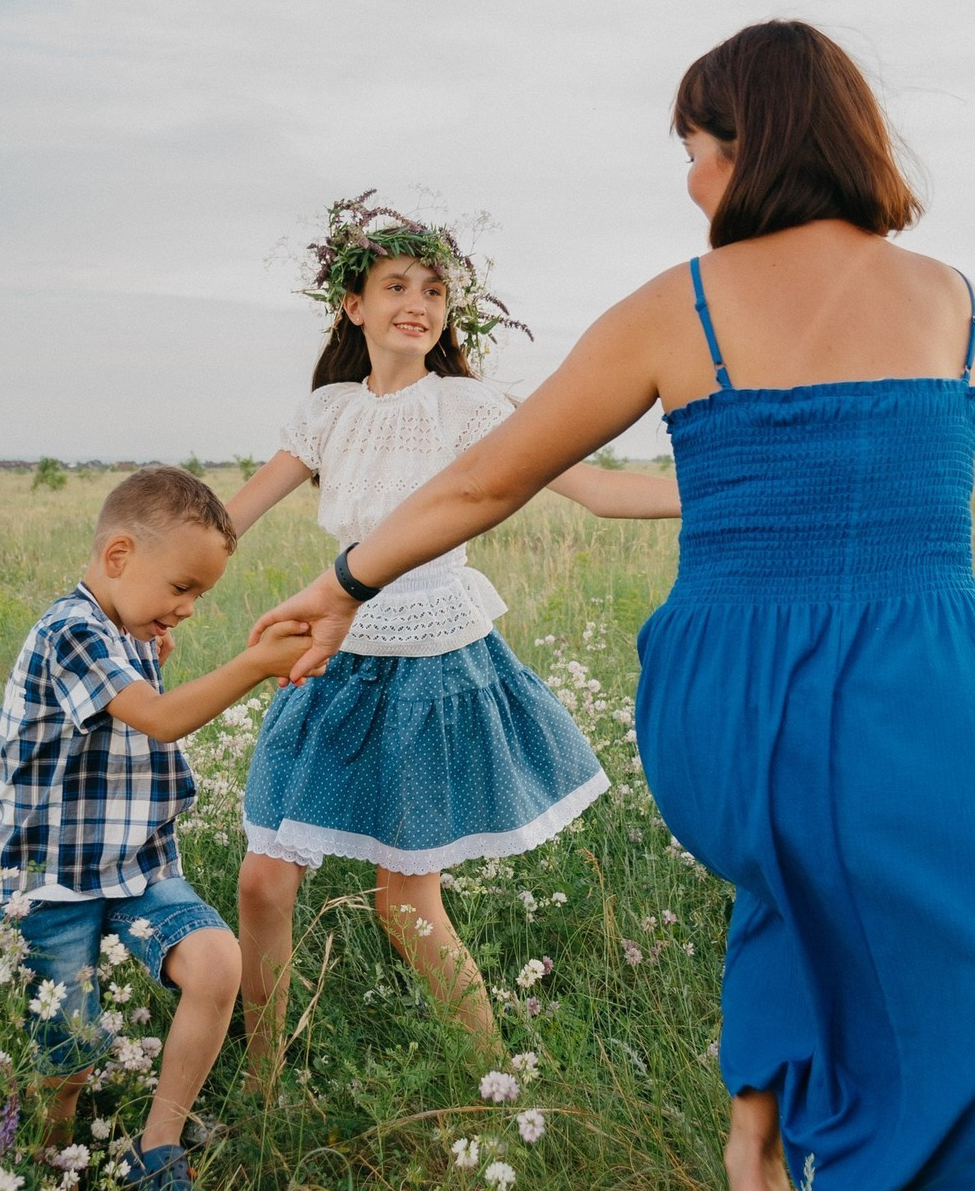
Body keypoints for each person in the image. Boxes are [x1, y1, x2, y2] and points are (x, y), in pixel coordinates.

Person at [243, 27, 975, 1191]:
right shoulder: (951, 301)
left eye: (697, 150)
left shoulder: (685, 306)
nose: (692, 181)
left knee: (807, 896)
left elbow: (489, 476)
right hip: (928, 689)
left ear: (751, 143)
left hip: (750, 695)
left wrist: (343, 583)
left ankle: (757, 1152)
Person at [227, 193, 680, 1086]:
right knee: (262, 881)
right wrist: (133, 592)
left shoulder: (467, 405)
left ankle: (493, 1079)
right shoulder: (325, 411)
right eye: (396, 285)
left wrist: (730, 491)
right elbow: (225, 519)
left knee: (407, 901)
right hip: (332, 652)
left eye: (435, 290)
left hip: (434, 658)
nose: (419, 304)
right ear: (352, 306)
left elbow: (592, 488)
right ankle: (261, 1080)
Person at [0, 465, 309, 1191]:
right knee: (68, 1053)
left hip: (137, 865)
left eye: (200, 595)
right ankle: (51, 1163)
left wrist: (155, 644)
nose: (190, 608)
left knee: (218, 963)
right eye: (182, 588)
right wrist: (256, 665)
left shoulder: (128, 629)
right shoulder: (71, 631)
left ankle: (156, 1146)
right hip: (54, 878)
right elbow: (160, 722)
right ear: (119, 557)